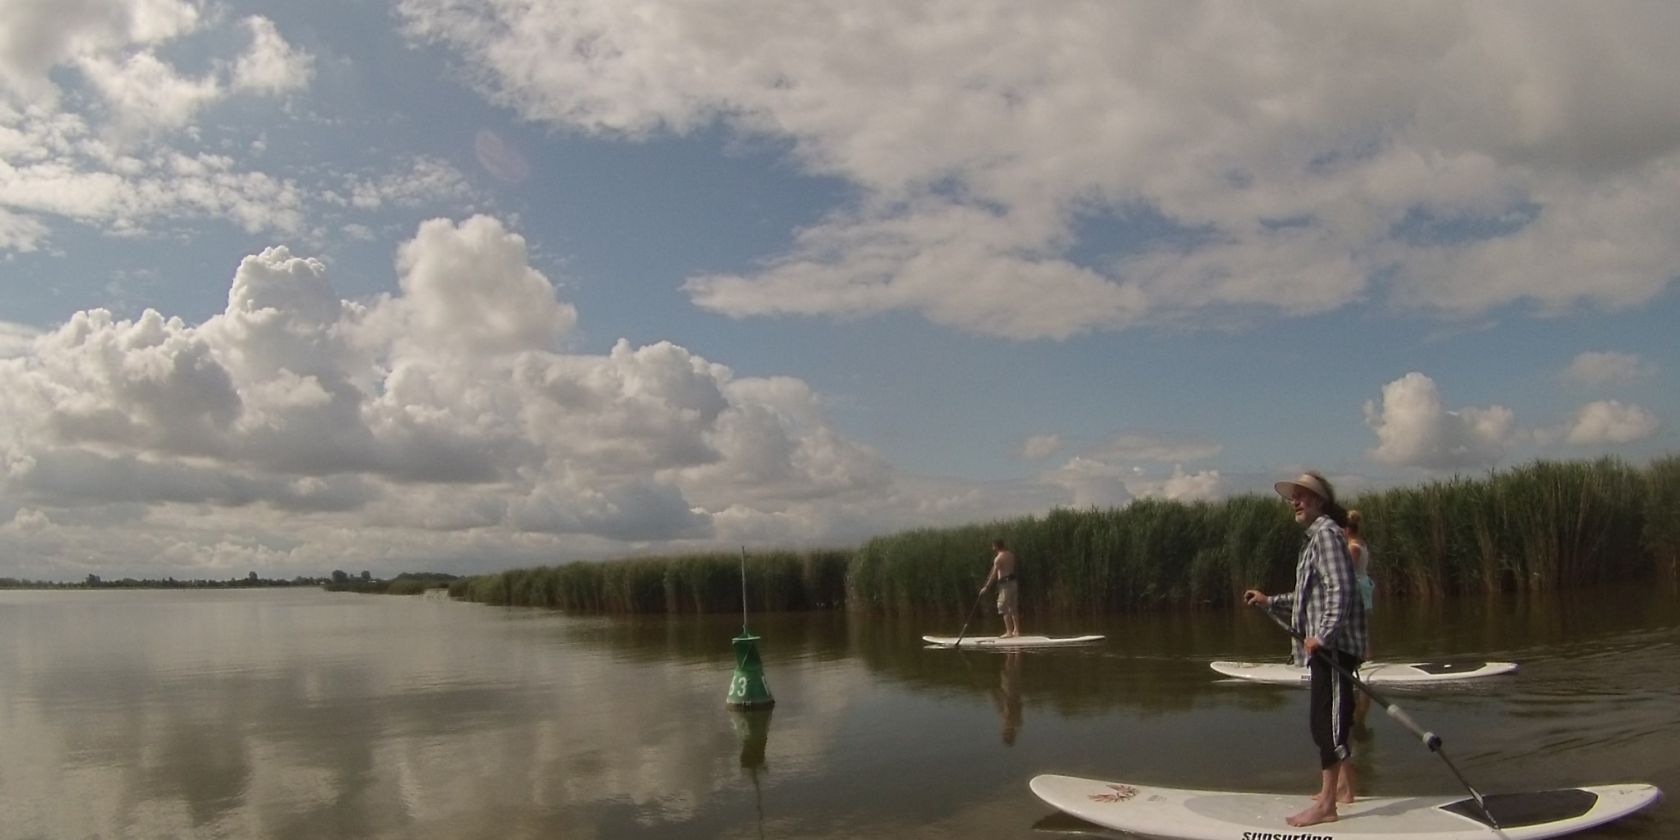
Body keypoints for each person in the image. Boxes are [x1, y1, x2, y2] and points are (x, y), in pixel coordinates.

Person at [1243, 471, 1368, 828]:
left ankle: (1328, 804)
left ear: (1320, 501)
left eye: (1304, 496)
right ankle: (1344, 789)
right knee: (1335, 718)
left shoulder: (1327, 535)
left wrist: (1324, 635)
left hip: (1334, 647)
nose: (1296, 502)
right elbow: (1310, 597)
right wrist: (1271, 601)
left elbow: (1341, 590)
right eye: (1293, 497)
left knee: (1324, 723)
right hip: (1330, 646)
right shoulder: (1317, 538)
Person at [1347, 509, 1374, 727]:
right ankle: (1365, 660)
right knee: (1363, 626)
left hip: (1356, 588)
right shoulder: (1361, 542)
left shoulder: (1353, 547)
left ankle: (1362, 662)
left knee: (1357, 628)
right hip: (1363, 585)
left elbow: (1346, 570)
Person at [980, 538, 1021, 638]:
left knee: (1002, 606)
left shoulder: (998, 558)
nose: (992, 547)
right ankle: (1017, 631)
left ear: (996, 546)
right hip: (1013, 582)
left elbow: (994, 574)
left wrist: (986, 587)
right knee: (1013, 607)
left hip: (1005, 585)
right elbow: (996, 569)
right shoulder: (1010, 555)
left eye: (993, 545)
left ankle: (1009, 632)